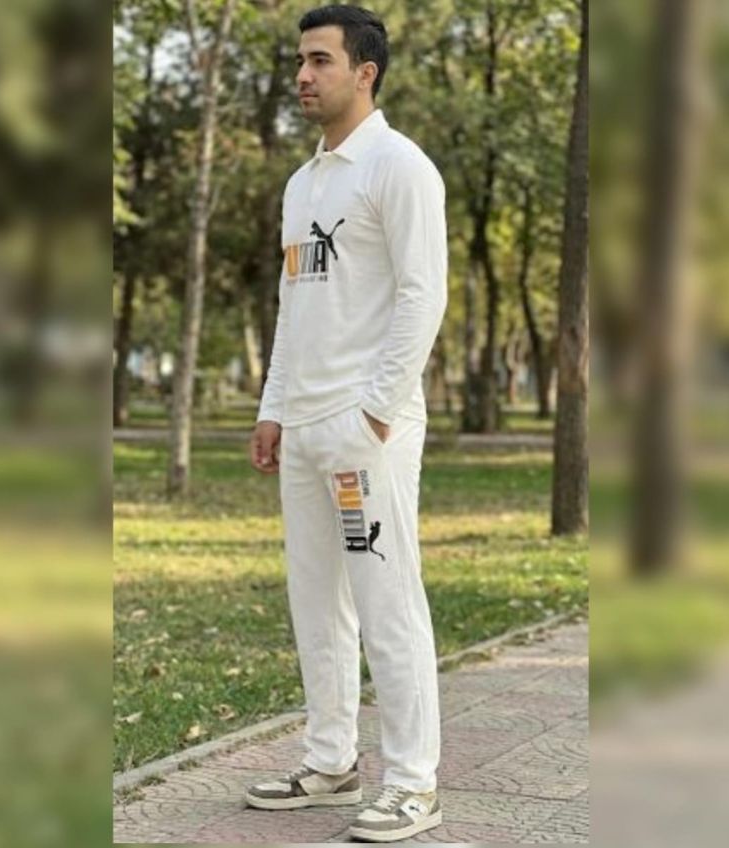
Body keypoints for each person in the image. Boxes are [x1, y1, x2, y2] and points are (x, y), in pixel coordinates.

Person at [245, 5, 447, 842]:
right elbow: (294, 305)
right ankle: (330, 762)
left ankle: (413, 784)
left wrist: (376, 410)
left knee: (386, 601)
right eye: (300, 60)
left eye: (320, 60)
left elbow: (423, 294)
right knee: (316, 604)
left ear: (365, 72)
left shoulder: (399, 168)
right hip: (304, 429)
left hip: (366, 434)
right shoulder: (304, 184)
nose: (303, 75)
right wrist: (273, 407)